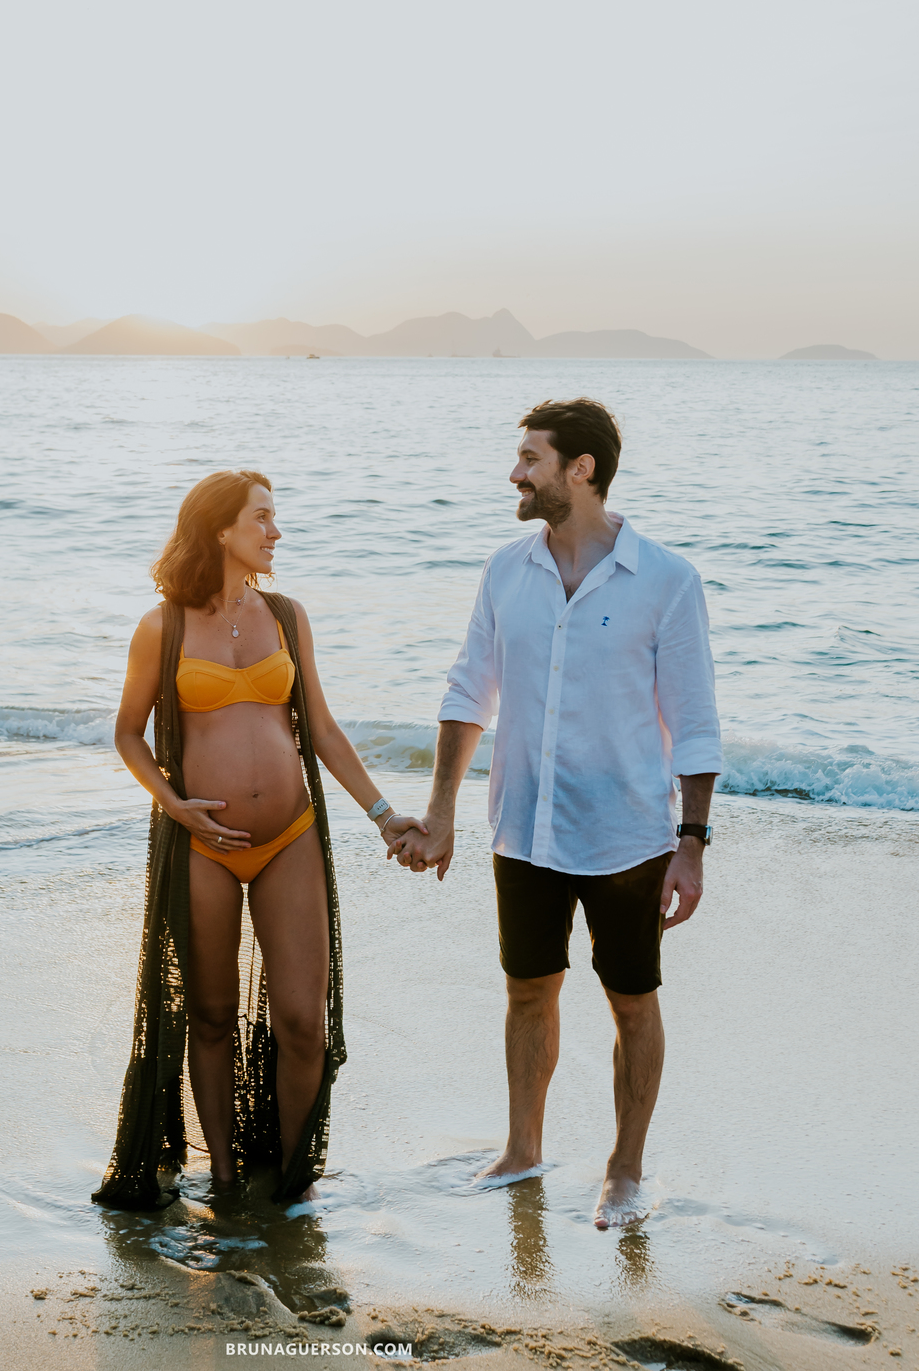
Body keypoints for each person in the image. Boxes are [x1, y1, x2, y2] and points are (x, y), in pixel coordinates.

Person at [389, 399, 721, 1229]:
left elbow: (696, 724)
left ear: (582, 470)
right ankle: (523, 1149)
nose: (515, 473)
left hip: (628, 839)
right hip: (524, 829)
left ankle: (626, 1170)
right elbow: (469, 693)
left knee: (632, 1000)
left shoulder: (667, 580)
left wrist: (692, 845)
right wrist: (442, 814)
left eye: (530, 459)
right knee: (527, 991)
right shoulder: (507, 569)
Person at [92, 468, 420, 1209]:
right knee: (208, 1016)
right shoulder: (163, 625)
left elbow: (324, 732)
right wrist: (176, 806)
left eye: (275, 518)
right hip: (204, 846)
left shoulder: (286, 615)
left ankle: (295, 1182)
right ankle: (228, 1183)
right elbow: (126, 734)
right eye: (263, 518)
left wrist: (384, 814)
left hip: (290, 836)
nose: (276, 532)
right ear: (220, 530)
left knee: (303, 1022)